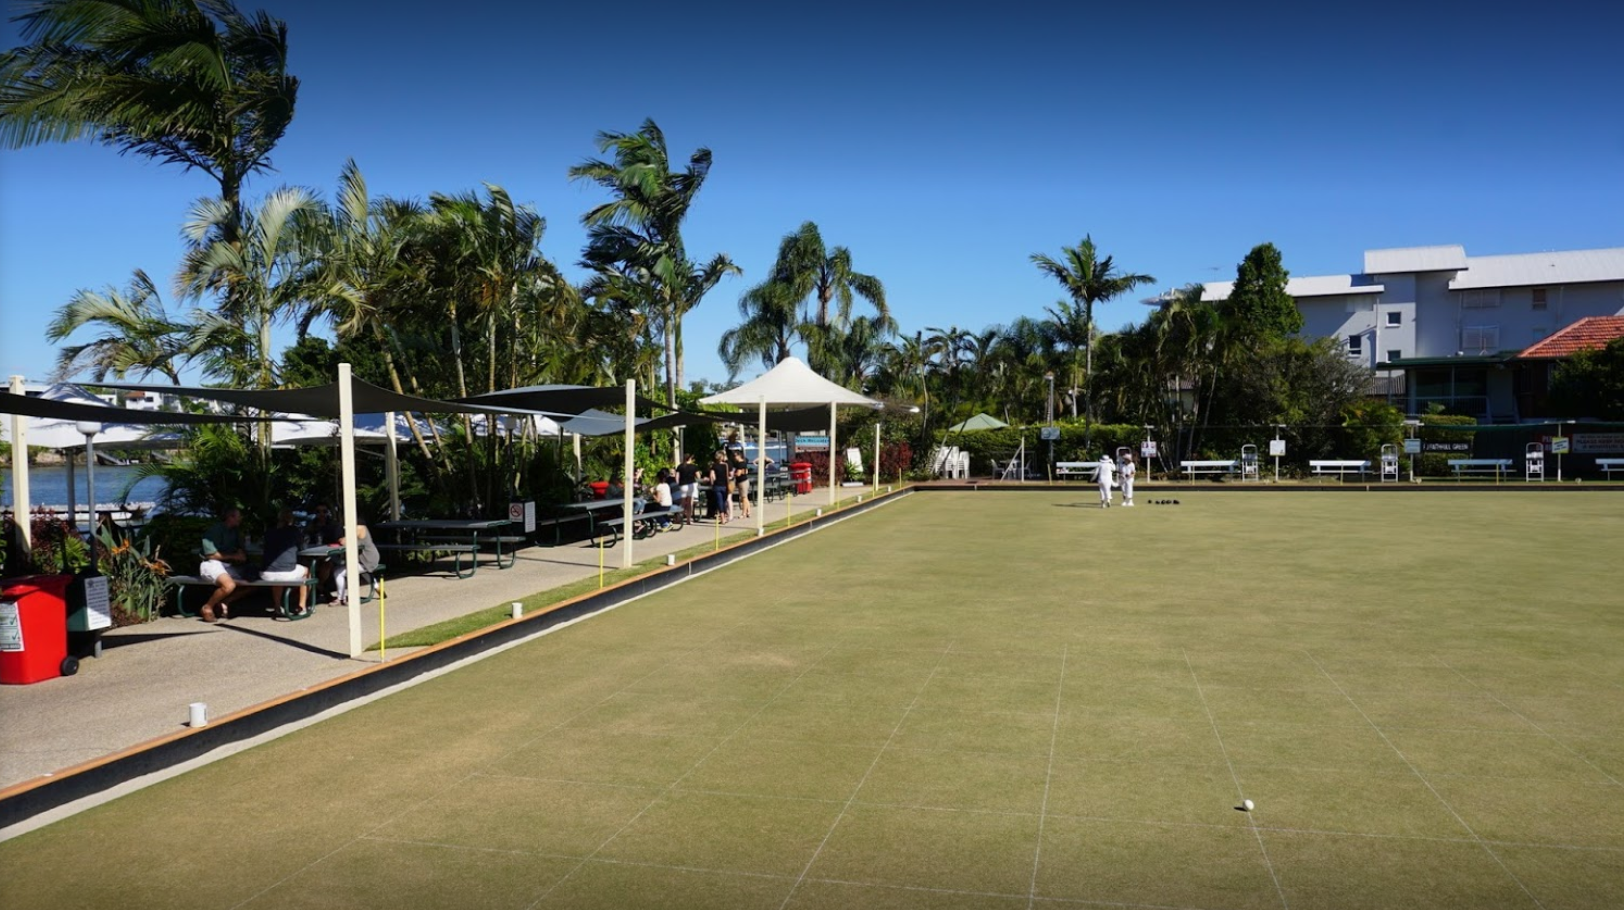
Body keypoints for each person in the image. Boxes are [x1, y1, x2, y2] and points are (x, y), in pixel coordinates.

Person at [197, 506, 251, 623]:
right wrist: (233, 556)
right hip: (212, 564)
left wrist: (241, 553)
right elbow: (210, 554)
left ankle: (225, 602)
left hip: (228, 565)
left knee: (254, 583)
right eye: (238, 517)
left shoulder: (235, 531)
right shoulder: (215, 531)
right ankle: (208, 607)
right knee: (229, 585)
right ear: (230, 517)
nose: (240, 519)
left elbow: (239, 548)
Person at [260, 508, 311, 617]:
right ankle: (302, 606)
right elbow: (302, 547)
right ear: (291, 520)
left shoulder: (269, 531)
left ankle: (277, 606)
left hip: (266, 573)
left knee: (276, 573)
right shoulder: (294, 531)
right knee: (306, 571)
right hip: (285, 572)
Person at [330, 520, 380, 607]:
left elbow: (344, 542)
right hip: (363, 559)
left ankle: (341, 598)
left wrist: (341, 537)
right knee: (341, 566)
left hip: (367, 559)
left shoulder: (359, 528)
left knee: (338, 572)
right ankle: (377, 587)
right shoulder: (357, 528)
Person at [726, 431, 752, 520]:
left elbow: (739, 473)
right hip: (742, 479)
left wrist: (734, 474)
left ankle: (744, 513)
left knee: (743, 497)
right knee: (745, 497)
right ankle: (748, 511)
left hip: (742, 480)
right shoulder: (728, 446)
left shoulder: (741, 463)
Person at [676, 453, 701, 522]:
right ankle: (688, 519)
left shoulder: (680, 466)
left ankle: (679, 518)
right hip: (691, 485)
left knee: (682, 503)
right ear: (690, 459)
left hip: (683, 485)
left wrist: (677, 485)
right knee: (690, 503)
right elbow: (698, 476)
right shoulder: (694, 467)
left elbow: (677, 477)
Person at [708, 451, 731, 523]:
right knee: (724, 501)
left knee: (719, 501)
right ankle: (725, 515)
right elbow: (727, 476)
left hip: (717, 485)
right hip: (724, 485)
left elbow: (711, 476)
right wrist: (728, 484)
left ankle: (722, 518)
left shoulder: (714, 466)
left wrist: (712, 484)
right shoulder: (725, 465)